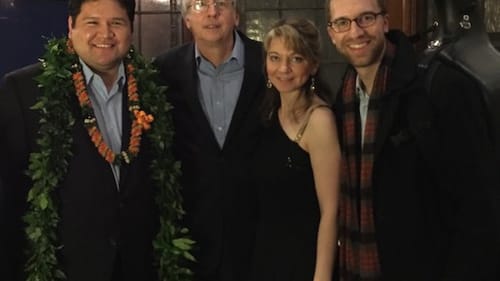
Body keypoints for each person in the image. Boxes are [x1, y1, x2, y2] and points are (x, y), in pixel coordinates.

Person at [0, 0, 190, 281]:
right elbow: (8, 198)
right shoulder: (25, 91)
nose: (105, 34)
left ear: (130, 28)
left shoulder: (155, 89)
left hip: (141, 267)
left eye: (116, 23)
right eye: (92, 23)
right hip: (64, 269)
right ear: (70, 26)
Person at [325, 0, 500, 280]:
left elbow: (479, 210)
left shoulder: (440, 87)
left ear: (384, 22)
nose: (355, 32)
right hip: (357, 268)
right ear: (332, 34)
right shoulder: (342, 99)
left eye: (365, 18)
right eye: (343, 23)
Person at [153, 0, 265, 280]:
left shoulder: (268, 61)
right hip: (192, 235)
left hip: (261, 228)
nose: (212, 12)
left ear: (236, 15)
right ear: (187, 19)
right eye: (200, 4)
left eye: (221, 3)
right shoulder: (162, 71)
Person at [250, 18, 340, 281]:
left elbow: (331, 211)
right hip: (265, 259)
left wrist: (321, 277)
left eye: (296, 59)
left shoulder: (320, 121)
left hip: (303, 262)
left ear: (313, 65)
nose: (283, 69)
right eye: (275, 58)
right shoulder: (267, 114)